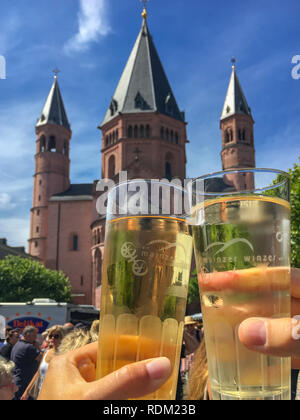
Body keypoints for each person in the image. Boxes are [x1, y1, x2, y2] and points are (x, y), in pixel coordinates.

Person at [21, 325, 65, 400]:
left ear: (63, 338)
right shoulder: (46, 352)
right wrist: (26, 391)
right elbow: (38, 373)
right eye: (51, 336)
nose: (53, 338)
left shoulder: (65, 355)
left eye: (56, 336)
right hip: (40, 394)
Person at [11, 326, 43, 400]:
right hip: (25, 384)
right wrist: (38, 347)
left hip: (17, 380)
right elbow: (42, 359)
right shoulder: (29, 347)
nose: (36, 339)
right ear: (28, 335)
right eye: (35, 336)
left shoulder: (17, 344)